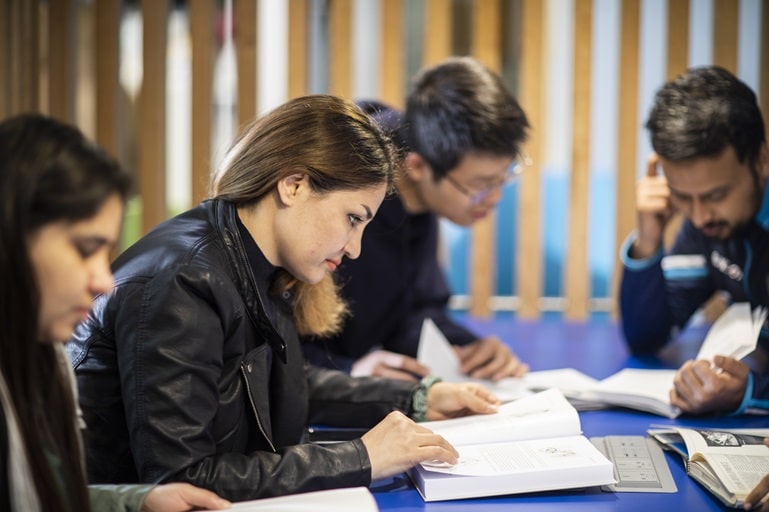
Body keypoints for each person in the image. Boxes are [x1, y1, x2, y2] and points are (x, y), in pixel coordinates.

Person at [66, 95, 501, 501]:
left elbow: (287, 384)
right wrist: (362, 457)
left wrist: (419, 398)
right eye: (352, 219)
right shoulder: (185, 279)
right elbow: (184, 481)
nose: (356, 249)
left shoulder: (257, 260)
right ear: (293, 186)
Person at [0, 114, 231, 511]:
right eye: (85, 250)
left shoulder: (41, 354)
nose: (104, 282)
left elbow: (42, 497)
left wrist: (138, 501)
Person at [301, 56, 531, 382]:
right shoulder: (334, 191)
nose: (494, 198)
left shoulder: (419, 191)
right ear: (417, 167)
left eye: (502, 178)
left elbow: (411, 315)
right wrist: (346, 372)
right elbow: (265, 342)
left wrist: (469, 349)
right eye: (480, 186)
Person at [619, 65, 769, 415]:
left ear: (761, 160)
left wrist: (751, 391)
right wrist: (648, 241)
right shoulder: (709, 227)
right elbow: (648, 337)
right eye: (683, 197)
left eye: (716, 194)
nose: (699, 216)